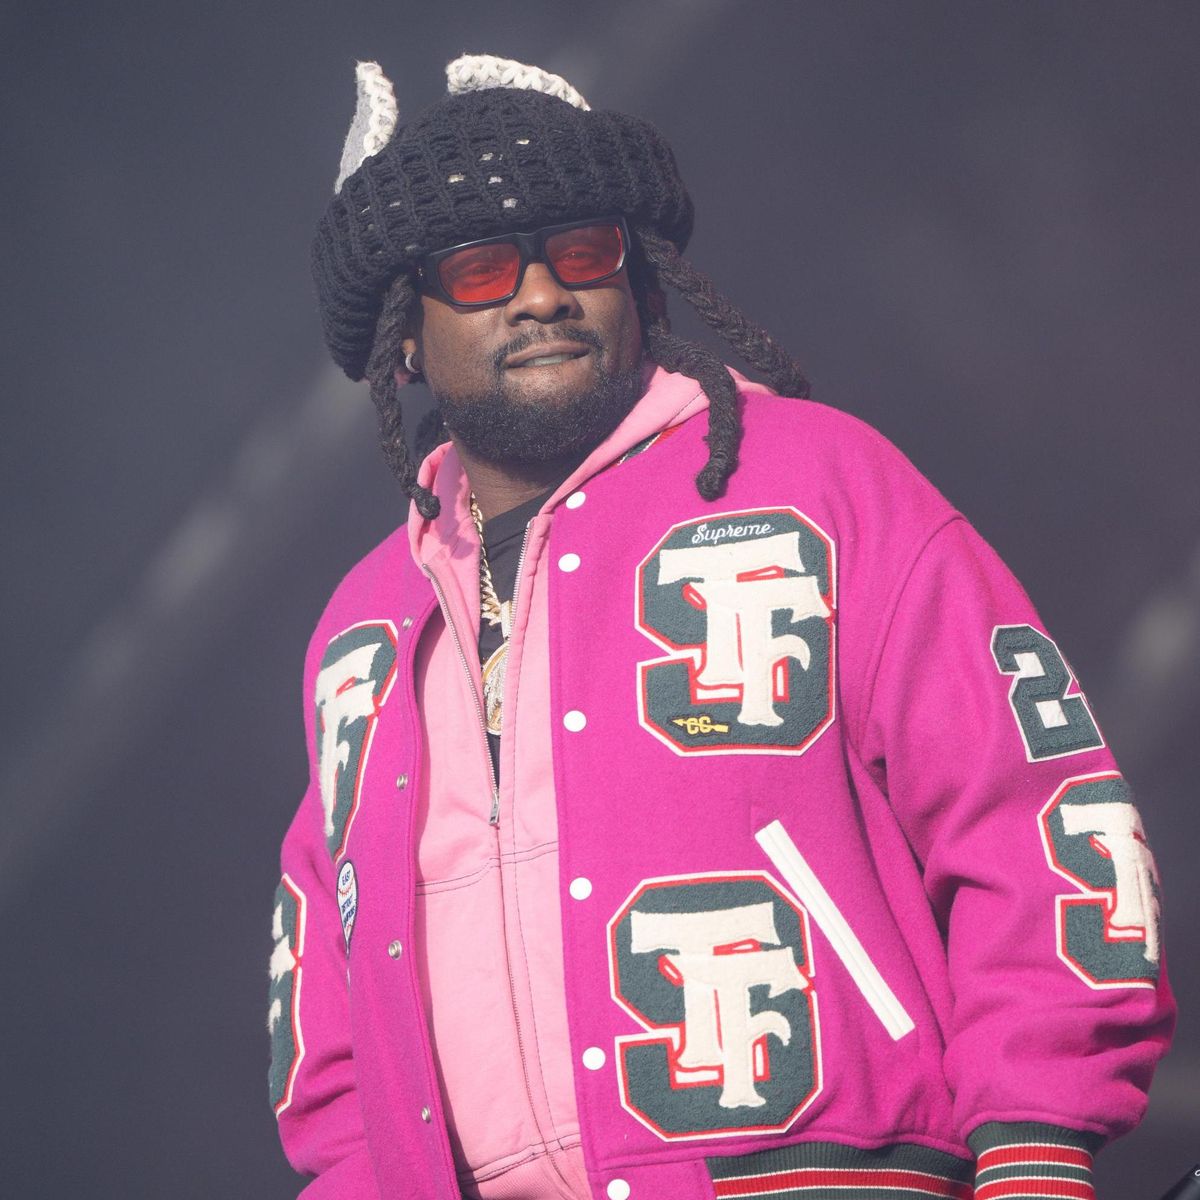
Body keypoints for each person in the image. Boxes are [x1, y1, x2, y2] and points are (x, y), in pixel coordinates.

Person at [267, 54, 1175, 1200]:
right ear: (404, 333)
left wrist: (1036, 1150)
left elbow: (1035, 815)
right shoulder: (363, 630)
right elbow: (333, 1020)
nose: (542, 296)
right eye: (482, 266)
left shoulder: (818, 485)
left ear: (642, 285)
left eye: (583, 251)